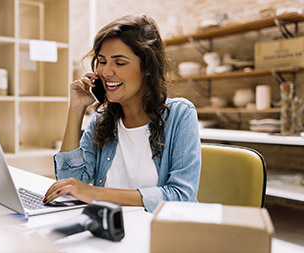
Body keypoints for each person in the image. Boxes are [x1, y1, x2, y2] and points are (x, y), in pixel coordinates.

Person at [43, 14, 201, 213]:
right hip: (112, 231)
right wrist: (76, 109)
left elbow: (181, 196)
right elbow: (70, 183)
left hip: (161, 234)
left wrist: (95, 193)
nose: (106, 72)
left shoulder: (180, 114)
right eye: (102, 61)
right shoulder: (101, 120)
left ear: (148, 68)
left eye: (119, 63)